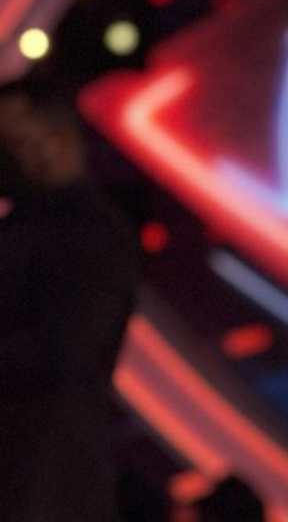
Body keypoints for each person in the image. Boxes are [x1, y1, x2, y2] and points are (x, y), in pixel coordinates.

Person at [0, 82, 141, 521]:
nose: (17, 156)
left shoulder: (91, 233)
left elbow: (66, 348)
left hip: (40, 473)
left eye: (21, 140)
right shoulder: (33, 225)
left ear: (61, 137)